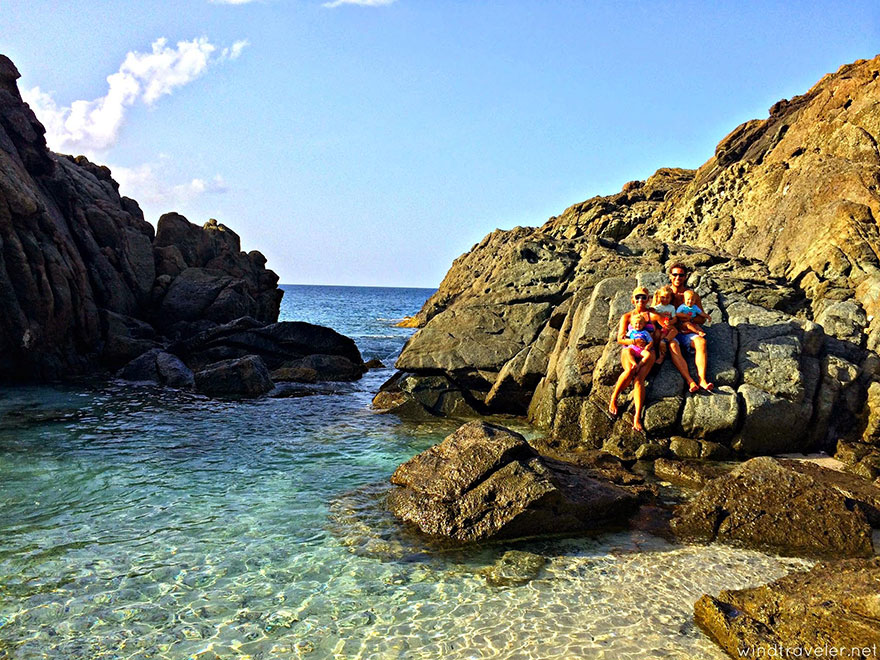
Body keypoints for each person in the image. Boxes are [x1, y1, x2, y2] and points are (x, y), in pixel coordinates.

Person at [608, 286, 661, 432]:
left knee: (639, 379)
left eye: (644, 297)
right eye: (637, 297)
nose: (640, 300)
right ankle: (614, 398)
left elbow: (667, 323)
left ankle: (637, 416)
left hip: (647, 351)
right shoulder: (626, 317)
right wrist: (633, 341)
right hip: (630, 349)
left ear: (648, 299)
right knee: (630, 370)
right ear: (633, 300)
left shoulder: (652, 314)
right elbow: (620, 339)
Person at [666, 262, 714, 392]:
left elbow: (701, 319)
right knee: (673, 345)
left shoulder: (692, 296)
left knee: (701, 342)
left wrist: (689, 319)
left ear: (686, 277)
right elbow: (655, 312)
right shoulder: (664, 293)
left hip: (688, 330)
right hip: (671, 331)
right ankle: (690, 381)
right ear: (670, 276)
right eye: (675, 274)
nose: (678, 278)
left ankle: (702, 380)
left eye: (681, 275)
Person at [652, 285, 679, 365]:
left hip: (668, 327)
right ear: (659, 297)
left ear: (671, 298)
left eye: (667, 298)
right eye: (662, 297)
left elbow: (675, 318)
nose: (665, 299)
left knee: (664, 336)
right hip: (659, 327)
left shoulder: (671, 308)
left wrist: (671, 322)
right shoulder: (656, 308)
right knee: (657, 335)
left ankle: (662, 356)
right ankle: (655, 351)